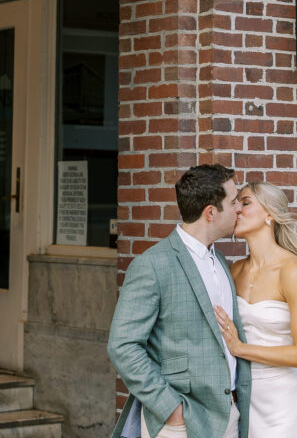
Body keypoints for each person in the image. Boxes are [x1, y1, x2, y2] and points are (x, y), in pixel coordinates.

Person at [107, 163, 251, 438]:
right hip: (181, 422)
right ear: (211, 212)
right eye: (233, 202)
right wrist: (171, 408)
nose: (239, 209)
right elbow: (123, 345)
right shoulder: (152, 265)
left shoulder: (221, 261)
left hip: (231, 414)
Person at [214, 181, 297, 438]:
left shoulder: (292, 270)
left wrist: (241, 349)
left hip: (282, 403)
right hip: (243, 398)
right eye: (236, 203)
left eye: (245, 202)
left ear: (270, 213)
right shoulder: (234, 271)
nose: (237, 209)